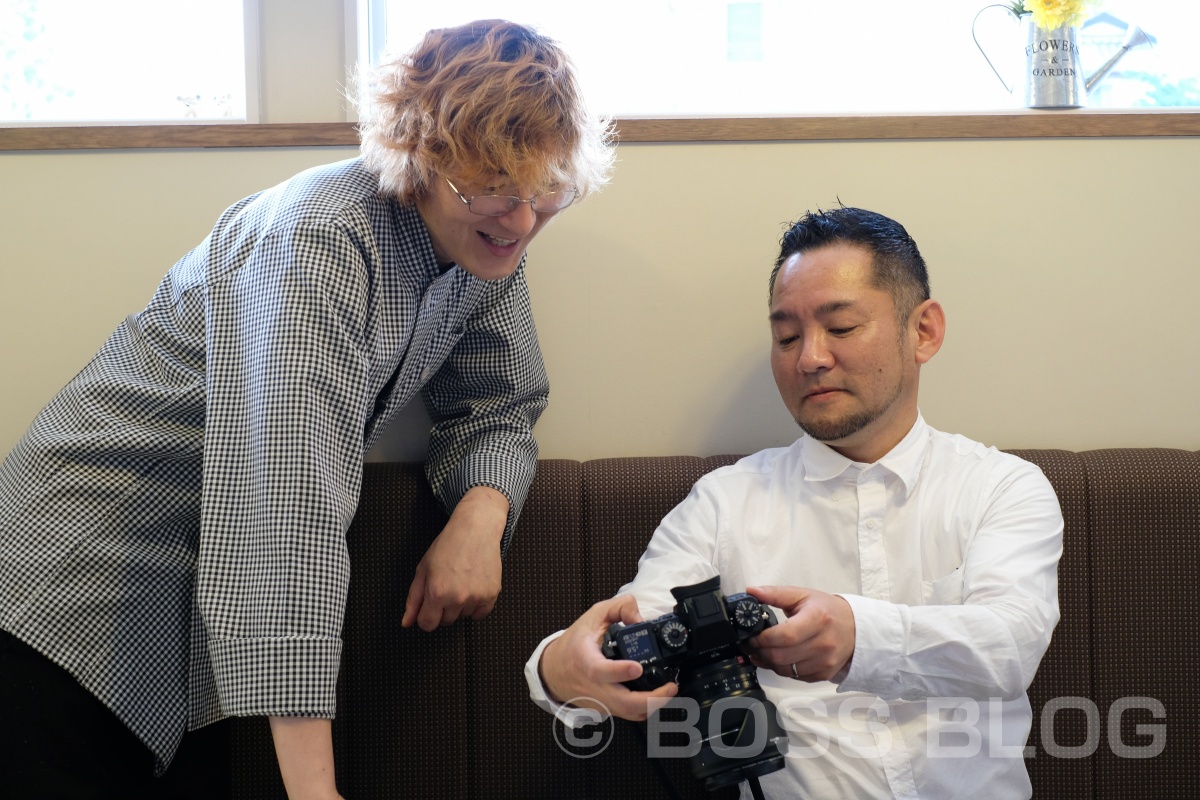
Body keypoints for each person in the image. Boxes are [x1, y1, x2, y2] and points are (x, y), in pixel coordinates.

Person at [0, 19, 613, 799]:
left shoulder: (485, 251)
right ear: (418, 156)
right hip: (67, 583)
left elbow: (500, 403)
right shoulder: (318, 239)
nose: (522, 222)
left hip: (184, 628)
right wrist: (316, 793)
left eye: (546, 191)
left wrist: (481, 515)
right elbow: (285, 508)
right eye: (491, 189)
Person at [527, 207, 1063, 799]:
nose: (809, 358)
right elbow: (639, 625)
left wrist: (859, 635)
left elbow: (1010, 643)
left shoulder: (1001, 486)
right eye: (786, 336)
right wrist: (559, 670)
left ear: (924, 331)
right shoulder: (725, 504)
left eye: (840, 328)